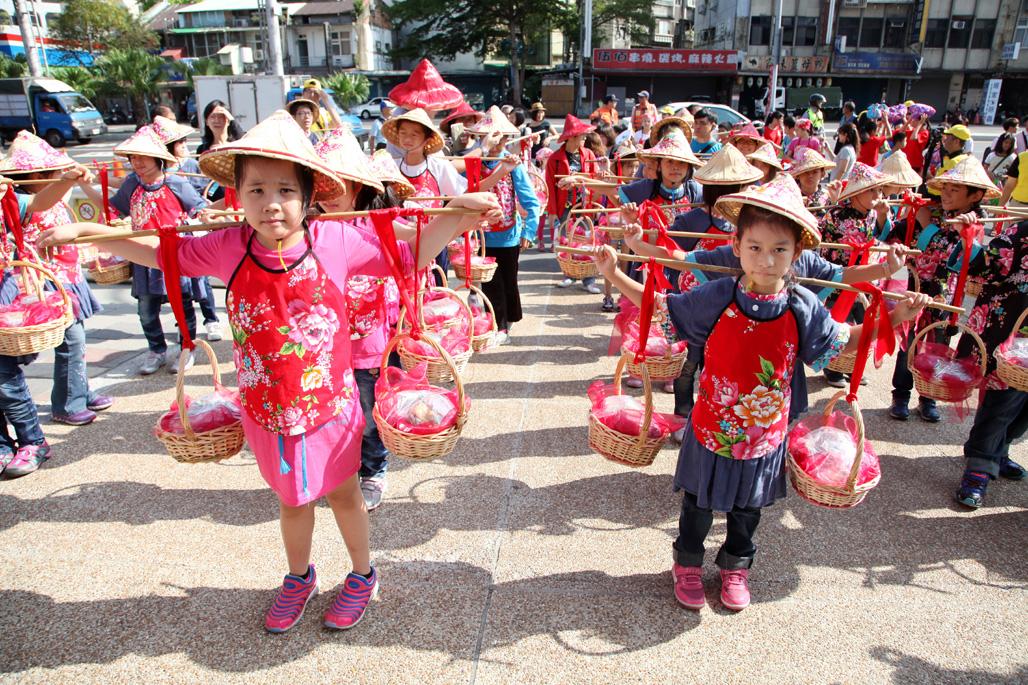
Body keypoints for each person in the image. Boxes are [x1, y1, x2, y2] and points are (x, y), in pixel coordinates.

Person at [40, 109, 503, 633]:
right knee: (291, 501)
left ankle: (362, 573)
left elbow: (412, 251)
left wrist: (458, 215)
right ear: (237, 196)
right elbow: (159, 251)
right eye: (256, 190)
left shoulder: (336, 240)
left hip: (331, 405)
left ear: (308, 197)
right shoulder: (228, 246)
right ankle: (299, 576)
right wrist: (90, 232)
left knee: (344, 494)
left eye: (285, 190)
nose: (270, 203)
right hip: (267, 410)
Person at [594, 173, 929, 612]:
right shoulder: (717, 295)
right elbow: (660, 306)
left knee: (748, 509)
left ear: (797, 254)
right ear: (736, 246)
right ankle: (687, 563)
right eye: (754, 247)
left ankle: (736, 566)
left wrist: (894, 317)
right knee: (697, 503)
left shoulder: (803, 306)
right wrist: (614, 273)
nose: (766, 260)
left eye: (779, 250)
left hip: (765, 433)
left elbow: (843, 340)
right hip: (712, 426)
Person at [0, 133, 113, 428]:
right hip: (47, 283)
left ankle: (81, 392)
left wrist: (71, 178)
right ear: (37, 175)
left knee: (78, 342)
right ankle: (67, 404)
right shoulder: (19, 200)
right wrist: (66, 180)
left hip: (68, 277)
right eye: (52, 173)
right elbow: (41, 202)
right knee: (71, 341)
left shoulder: (51, 194)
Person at [886, 157, 996, 421]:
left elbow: (951, 256)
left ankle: (928, 397)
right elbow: (898, 235)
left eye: (954, 189)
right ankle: (900, 394)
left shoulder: (974, 224)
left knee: (938, 346)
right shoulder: (931, 210)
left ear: (976, 196)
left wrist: (928, 226)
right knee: (909, 344)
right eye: (944, 187)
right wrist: (894, 215)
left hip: (946, 296)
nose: (945, 194)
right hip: (917, 289)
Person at [109, 126, 208, 375]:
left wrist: (206, 214)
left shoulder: (175, 182)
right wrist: (88, 186)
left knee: (182, 304)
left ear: (158, 158)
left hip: (174, 255)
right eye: (133, 157)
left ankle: (187, 348)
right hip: (143, 256)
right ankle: (156, 350)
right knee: (146, 310)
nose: (137, 162)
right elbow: (114, 209)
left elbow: (199, 208)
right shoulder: (131, 184)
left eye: (143, 157)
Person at [952, 217, 1027, 508]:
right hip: (1011, 335)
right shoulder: (1020, 233)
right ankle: (979, 468)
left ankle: (999, 450)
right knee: (1002, 402)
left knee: (1023, 410)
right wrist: (967, 239)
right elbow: (984, 266)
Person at [816, 162, 894, 388]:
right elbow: (821, 238)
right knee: (840, 322)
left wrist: (883, 216)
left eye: (879, 190)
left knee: (862, 322)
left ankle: (852, 366)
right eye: (872, 190)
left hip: (865, 278)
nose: (877, 196)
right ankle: (833, 367)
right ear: (857, 192)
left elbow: (883, 236)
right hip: (841, 278)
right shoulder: (835, 214)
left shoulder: (873, 215)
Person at [473, 109, 542, 345]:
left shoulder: (514, 165)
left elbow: (530, 200)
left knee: (509, 281)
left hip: (509, 235)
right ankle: (498, 326)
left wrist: (529, 231)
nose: (496, 143)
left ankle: (506, 323)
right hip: (482, 236)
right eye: (490, 137)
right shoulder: (474, 163)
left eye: (500, 137)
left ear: (505, 139)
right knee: (490, 284)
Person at [544, 114, 599, 294]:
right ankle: (568, 274)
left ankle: (589, 278)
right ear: (572, 137)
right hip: (564, 206)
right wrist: (552, 211)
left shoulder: (588, 154)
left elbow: (594, 179)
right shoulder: (555, 159)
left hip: (585, 205)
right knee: (566, 241)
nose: (585, 139)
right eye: (582, 136)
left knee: (587, 241)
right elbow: (550, 187)